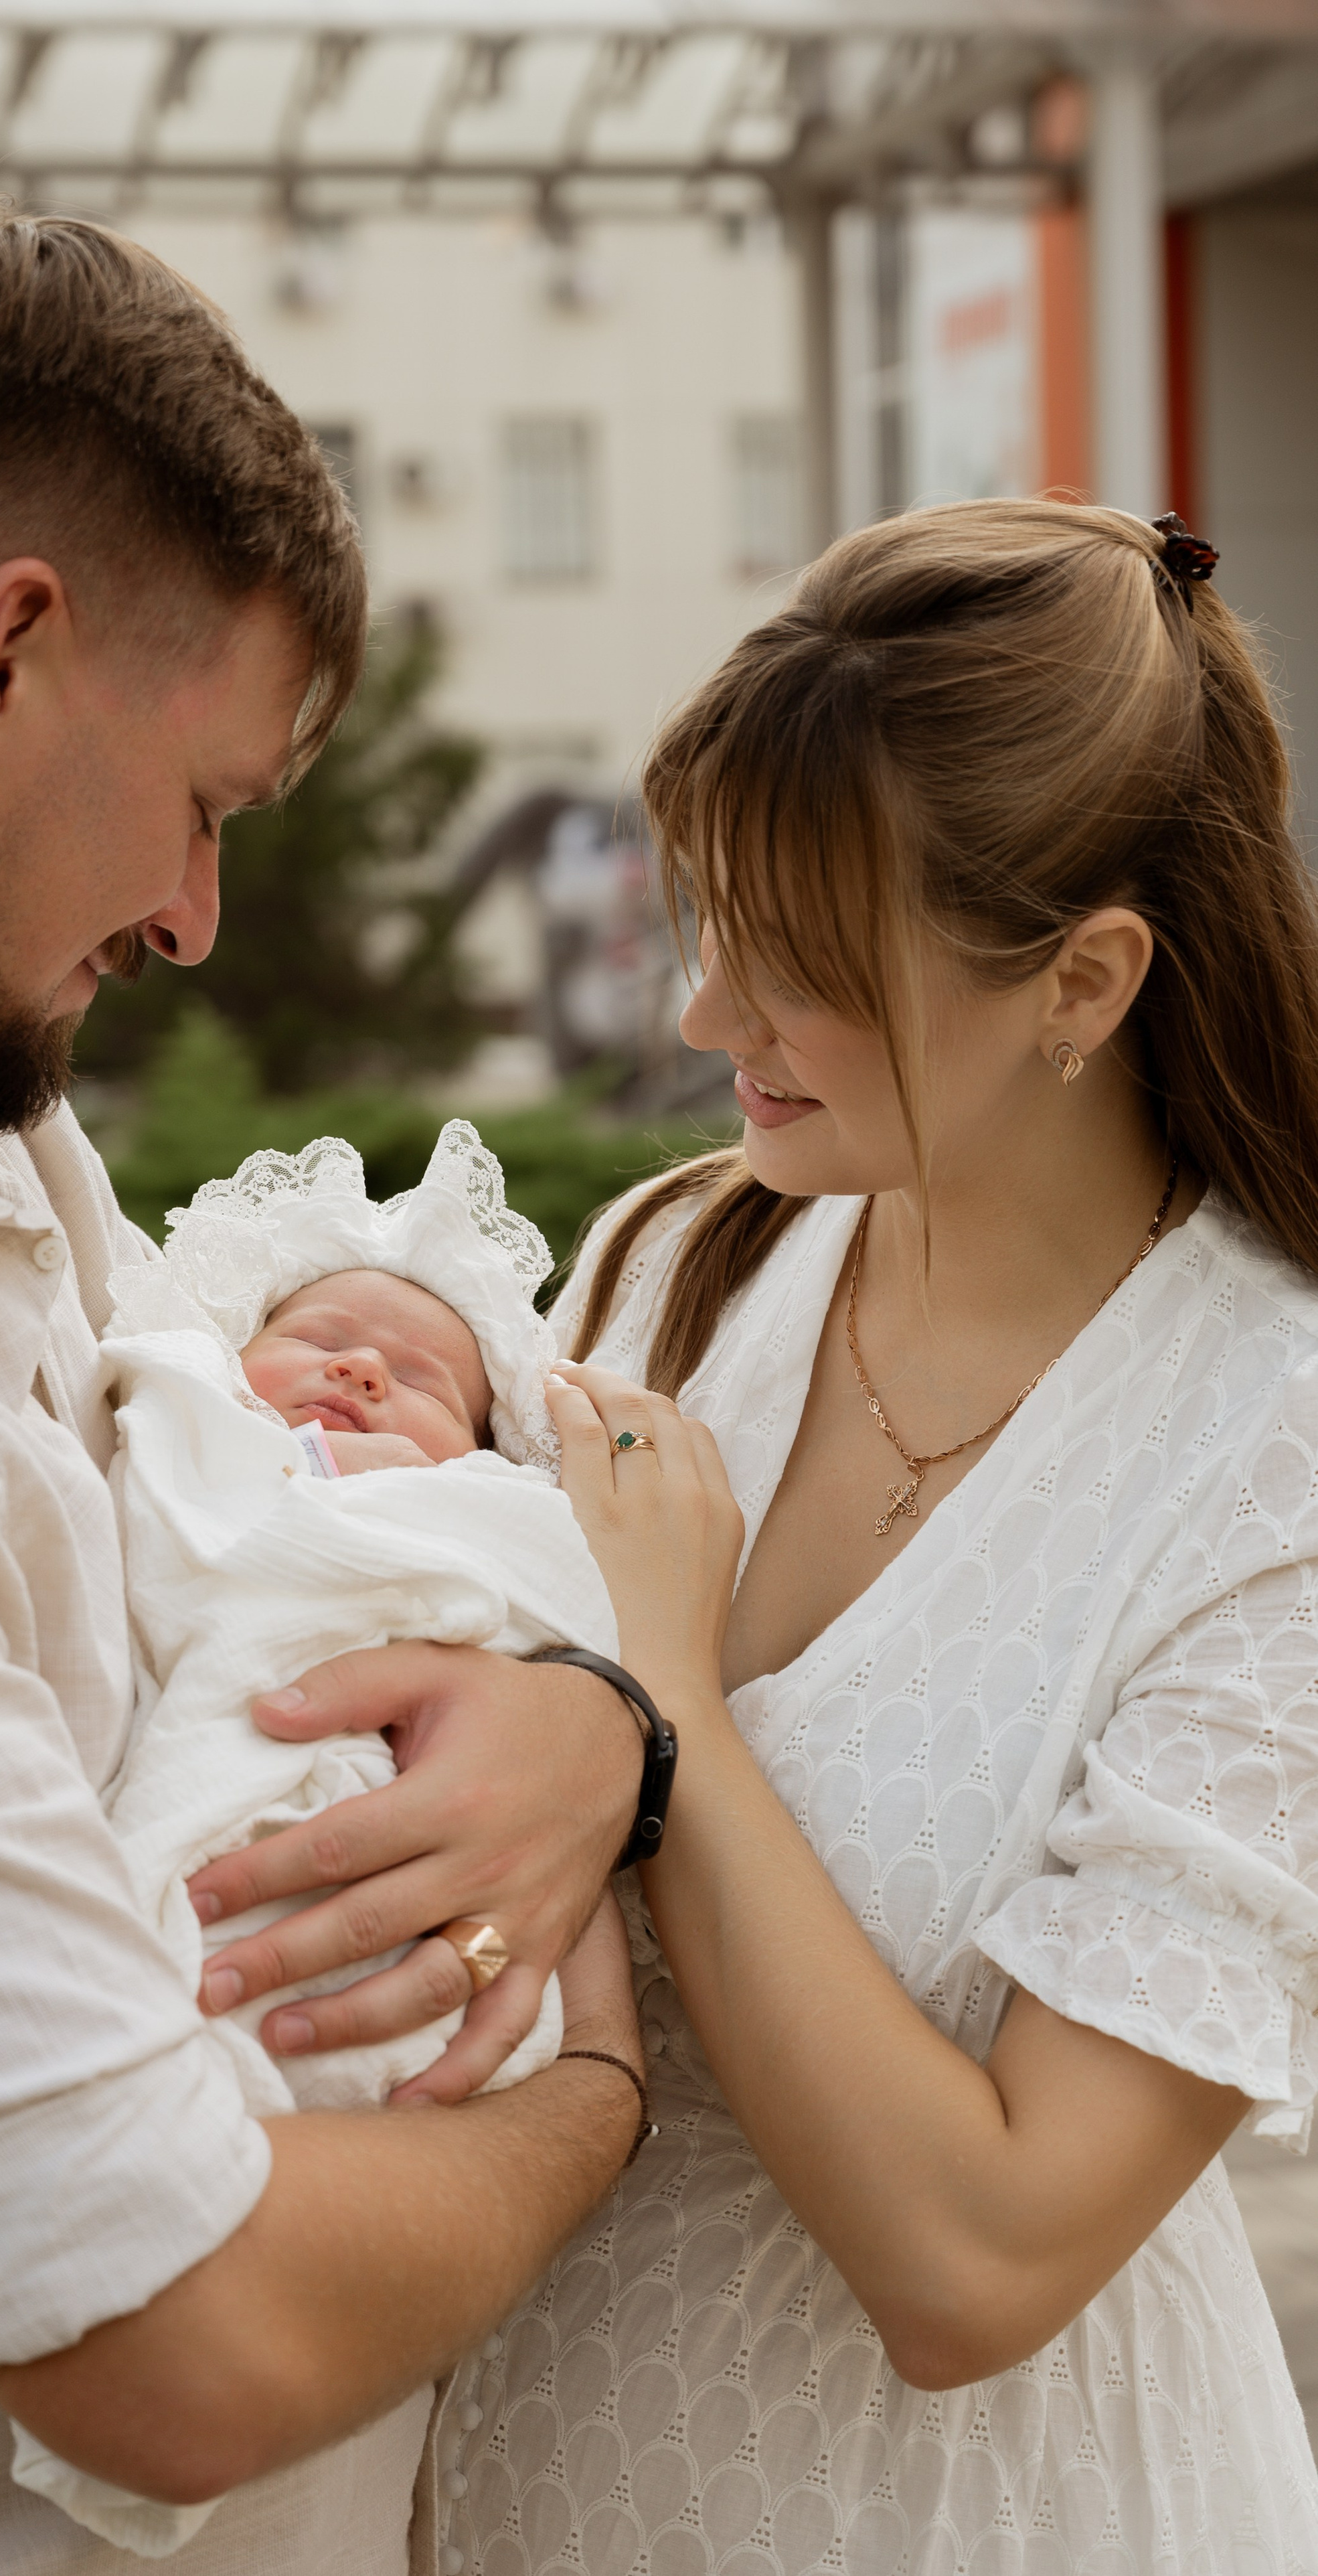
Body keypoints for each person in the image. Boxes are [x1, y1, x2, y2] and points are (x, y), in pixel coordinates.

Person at [0, 177, 653, 2574]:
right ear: (7, 658)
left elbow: (273, 1550)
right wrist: (595, 2063)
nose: (193, 916)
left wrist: (592, 1732)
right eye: (206, 806)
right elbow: (169, 2338)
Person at [192, 500, 1318, 2572]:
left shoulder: (1275, 1453)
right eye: (704, 924)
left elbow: (981, 2261)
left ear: (1084, 979)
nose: (713, 1021)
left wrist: (662, 1703)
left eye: (800, 974)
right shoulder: (678, 1262)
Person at [17, 1122, 629, 2556]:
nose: (362, 1373)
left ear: (484, 1448)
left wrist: (583, 1700)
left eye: (421, 1380)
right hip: (217, 1747)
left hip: (394, 1804)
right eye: (323, 1340)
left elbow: (562, 1610)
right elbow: (171, 1514)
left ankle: (273, 2191)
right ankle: (196, 2227)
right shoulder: (186, 1422)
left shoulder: (476, 1514)